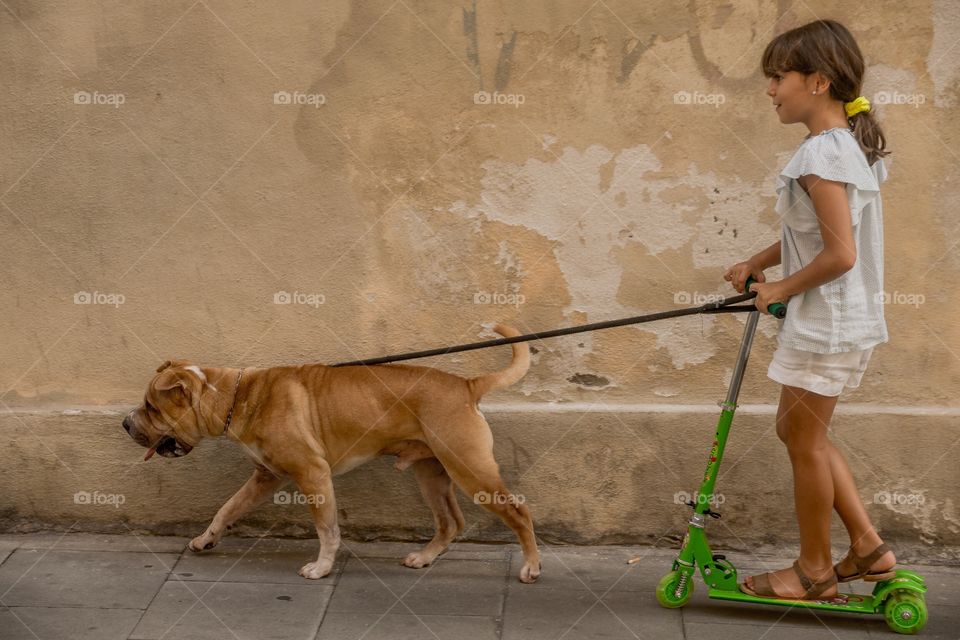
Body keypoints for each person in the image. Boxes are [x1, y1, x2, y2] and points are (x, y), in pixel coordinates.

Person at [722, 19, 895, 601]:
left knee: (802, 440)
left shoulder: (822, 153)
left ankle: (815, 571)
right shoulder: (847, 144)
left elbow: (840, 254)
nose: (771, 90)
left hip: (828, 319)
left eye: (778, 77)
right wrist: (758, 259)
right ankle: (868, 547)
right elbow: (822, 235)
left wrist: (780, 289)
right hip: (838, 318)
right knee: (800, 434)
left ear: (818, 81)